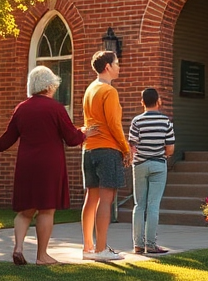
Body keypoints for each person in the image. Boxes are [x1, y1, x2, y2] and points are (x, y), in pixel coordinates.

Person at [0, 66, 89, 266]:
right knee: (46, 209)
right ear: (48, 85)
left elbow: (6, 140)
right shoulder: (56, 108)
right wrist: (85, 132)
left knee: (25, 210)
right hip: (49, 164)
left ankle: (18, 247)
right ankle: (42, 256)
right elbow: (72, 138)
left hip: (26, 163)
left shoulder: (22, 108)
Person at [80, 50, 131, 261]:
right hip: (107, 149)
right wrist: (126, 149)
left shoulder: (90, 89)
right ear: (108, 66)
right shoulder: (109, 91)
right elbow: (114, 124)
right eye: (117, 63)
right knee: (106, 199)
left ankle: (88, 247)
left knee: (91, 198)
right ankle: (101, 249)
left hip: (89, 149)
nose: (119, 66)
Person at [128, 88, 176, 255]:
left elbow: (132, 146)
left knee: (139, 205)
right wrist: (161, 153)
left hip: (140, 165)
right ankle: (151, 244)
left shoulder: (136, 121)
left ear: (142, 102)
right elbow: (170, 149)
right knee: (153, 205)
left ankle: (138, 245)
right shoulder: (166, 121)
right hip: (158, 164)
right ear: (159, 101)